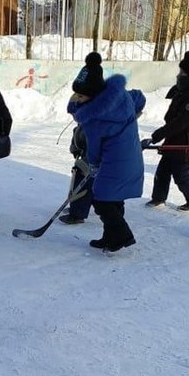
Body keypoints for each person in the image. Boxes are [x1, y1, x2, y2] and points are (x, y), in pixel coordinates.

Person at [67, 52, 145, 253]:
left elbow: (94, 148)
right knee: (114, 197)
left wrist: (92, 165)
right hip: (130, 156)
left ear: (93, 95)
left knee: (101, 199)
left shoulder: (95, 118)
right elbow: (139, 97)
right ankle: (110, 237)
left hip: (114, 161)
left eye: (81, 96)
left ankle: (122, 235)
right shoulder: (121, 97)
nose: (78, 99)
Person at [61, 88, 146, 225]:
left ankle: (77, 214)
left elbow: (93, 146)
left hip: (114, 160)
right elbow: (79, 133)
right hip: (115, 158)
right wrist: (75, 147)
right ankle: (86, 211)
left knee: (85, 177)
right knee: (96, 181)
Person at [142, 48, 189, 211]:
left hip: (187, 142)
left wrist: (157, 135)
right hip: (175, 140)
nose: (179, 74)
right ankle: (158, 198)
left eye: (183, 72)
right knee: (163, 170)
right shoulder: (186, 88)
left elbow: (181, 122)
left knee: (181, 173)